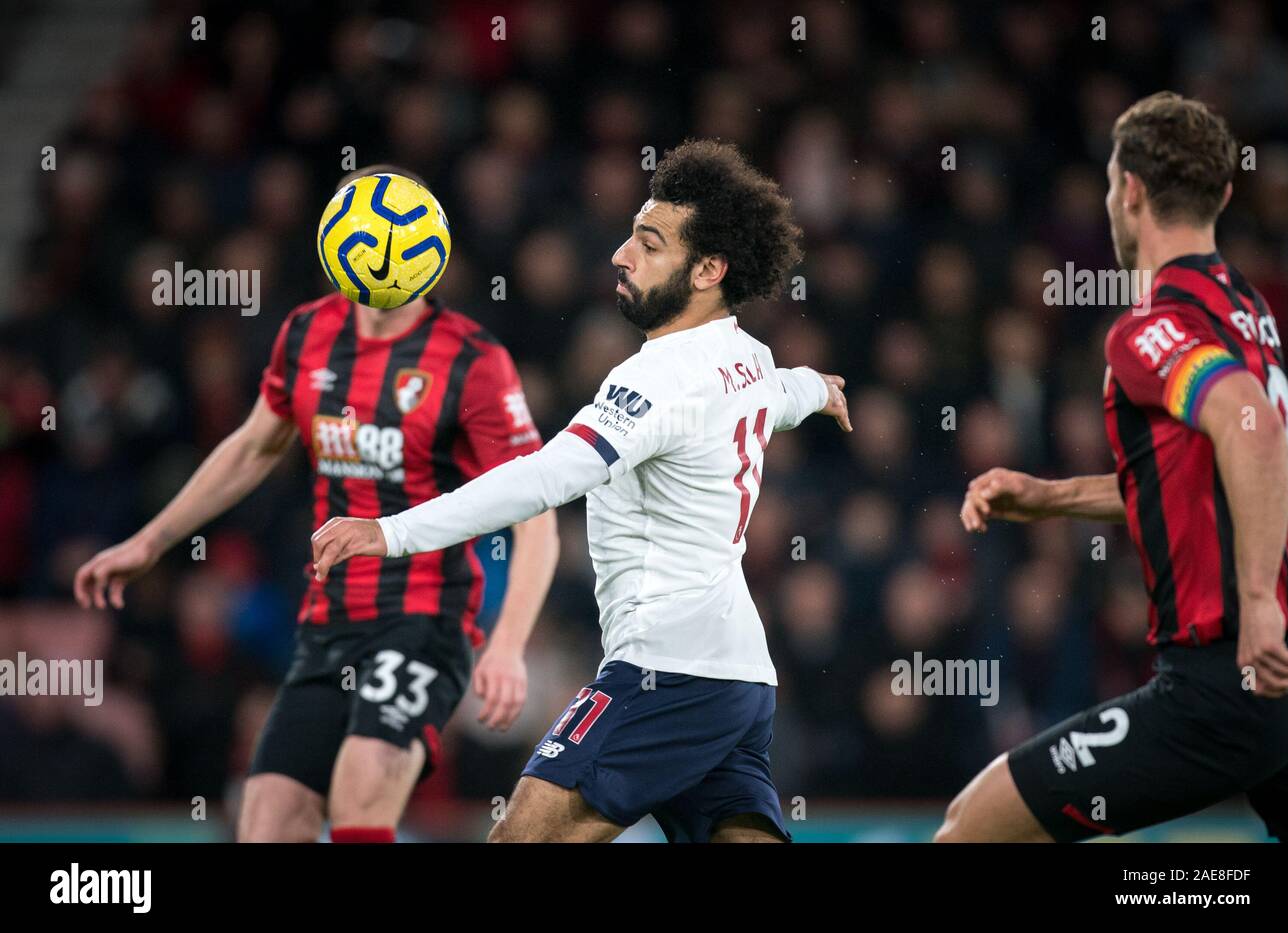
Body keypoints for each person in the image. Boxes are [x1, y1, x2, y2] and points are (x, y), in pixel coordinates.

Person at [310, 140, 852, 842]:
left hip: (665, 670)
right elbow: (783, 392)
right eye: (630, 235)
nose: (621, 255)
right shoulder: (748, 356)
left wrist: (389, 532)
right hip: (742, 682)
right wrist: (821, 388)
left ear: (709, 269)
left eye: (649, 246)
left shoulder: (657, 377)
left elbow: (545, 476)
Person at [73, 165, 559, 843]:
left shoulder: (473, 361)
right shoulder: (306, 334)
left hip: (426, 617)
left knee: (365, 785)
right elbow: (252, 448)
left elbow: (537, 510)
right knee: (268, 818)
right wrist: (150, 541)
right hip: (328, 619)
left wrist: (506, 645)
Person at [939, 93, 1288, 842]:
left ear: (1128, 190)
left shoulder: (1150, 326)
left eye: (1109, 183)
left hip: (1220, 679)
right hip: (1282, 674)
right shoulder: (1247, 309)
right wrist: (1053, 496)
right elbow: (1206, 479)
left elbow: (1255, 431)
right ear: (1224, 195)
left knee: (968, 828)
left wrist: (1258, 598)